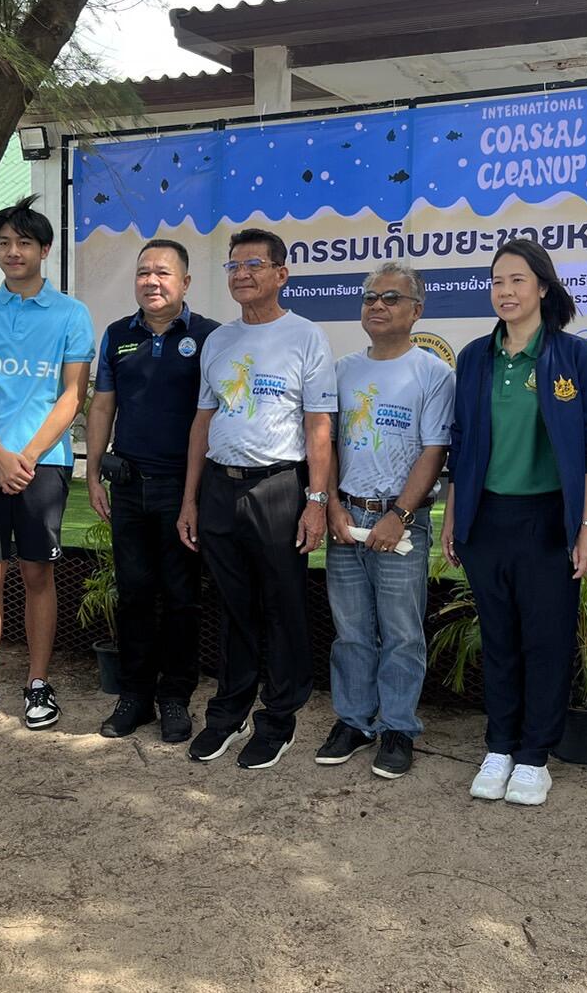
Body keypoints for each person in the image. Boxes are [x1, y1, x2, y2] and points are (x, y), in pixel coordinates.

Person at [442, 240, 587, 805]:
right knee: (499, 639)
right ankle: (499, 747)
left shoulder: (576, 357)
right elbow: (461, 441)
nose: (506, 291)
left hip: (549, 521)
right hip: (487, 519)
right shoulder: (475, 357)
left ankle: (535, 755)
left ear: (542, 287)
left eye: (517, 280)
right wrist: (454, 515)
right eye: (497, 281)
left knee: (546, 640)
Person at [178, 228, 336, 769]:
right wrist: (190, 499)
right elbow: (203, 422)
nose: (241, 274)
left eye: (253, 265)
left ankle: (279, 718)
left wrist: (316, 500)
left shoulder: (306, 337)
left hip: (279, 487)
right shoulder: (218, 341)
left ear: (281, 274)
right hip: (220, 487)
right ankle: (230, 711)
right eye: (233, 266)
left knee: (283, 605)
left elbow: (319, 426)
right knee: (233, 605)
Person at [0, 196, 95, 737]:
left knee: (38, 572)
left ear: (45, 250)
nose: (13, 252)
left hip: (43, 465)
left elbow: (71, 396)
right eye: (4, 243)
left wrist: (26, 457)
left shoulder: (71, 315)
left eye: (24, 243)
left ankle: (38, 683)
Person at [316, 265, 453, 779]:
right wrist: (331, 504)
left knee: (401, 632)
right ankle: (353, 721)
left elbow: (434, 451)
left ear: (417, 311)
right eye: (369, 296)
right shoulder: (342, 370)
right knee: (350, 630)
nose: (377, 305)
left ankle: (397, 727)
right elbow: (326, 442)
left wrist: (400, 515)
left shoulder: (434, 374)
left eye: (391, 298)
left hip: (400, 523)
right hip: (345, 517)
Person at [86, 239, 219, 743]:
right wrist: (93, 473)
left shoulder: (209, 337)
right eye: (143, 272)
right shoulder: (118, 334)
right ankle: (135, 696)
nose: (151, 281)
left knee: (182, 597)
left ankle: (176, 698)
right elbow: (103, 406)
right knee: (135, 594)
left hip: (183, 490)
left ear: (185, 282)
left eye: (163, 273)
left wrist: (192, 496)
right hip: (128, 486)